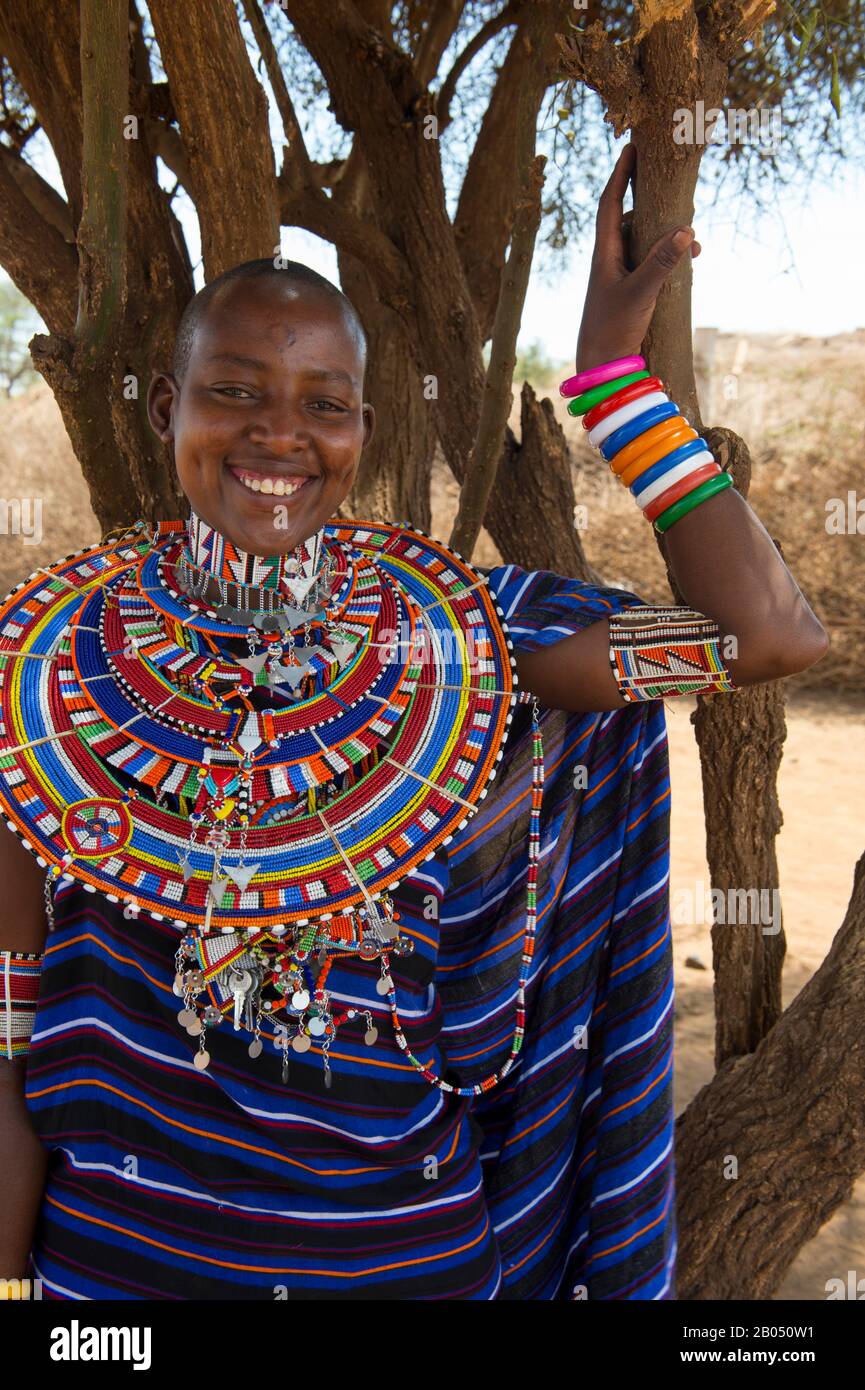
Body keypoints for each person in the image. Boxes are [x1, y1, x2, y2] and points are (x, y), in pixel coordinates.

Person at [0, 146, 827, 1301]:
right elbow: (9, 1051)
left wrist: (614, 385)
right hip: (121, 1288)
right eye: (233, 388)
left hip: (407, 1271)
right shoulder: (48, 680)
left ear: (366, 430)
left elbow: (768, 637)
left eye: (324, 404)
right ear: (160, 405)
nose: (278, 435)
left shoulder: (468, 649)